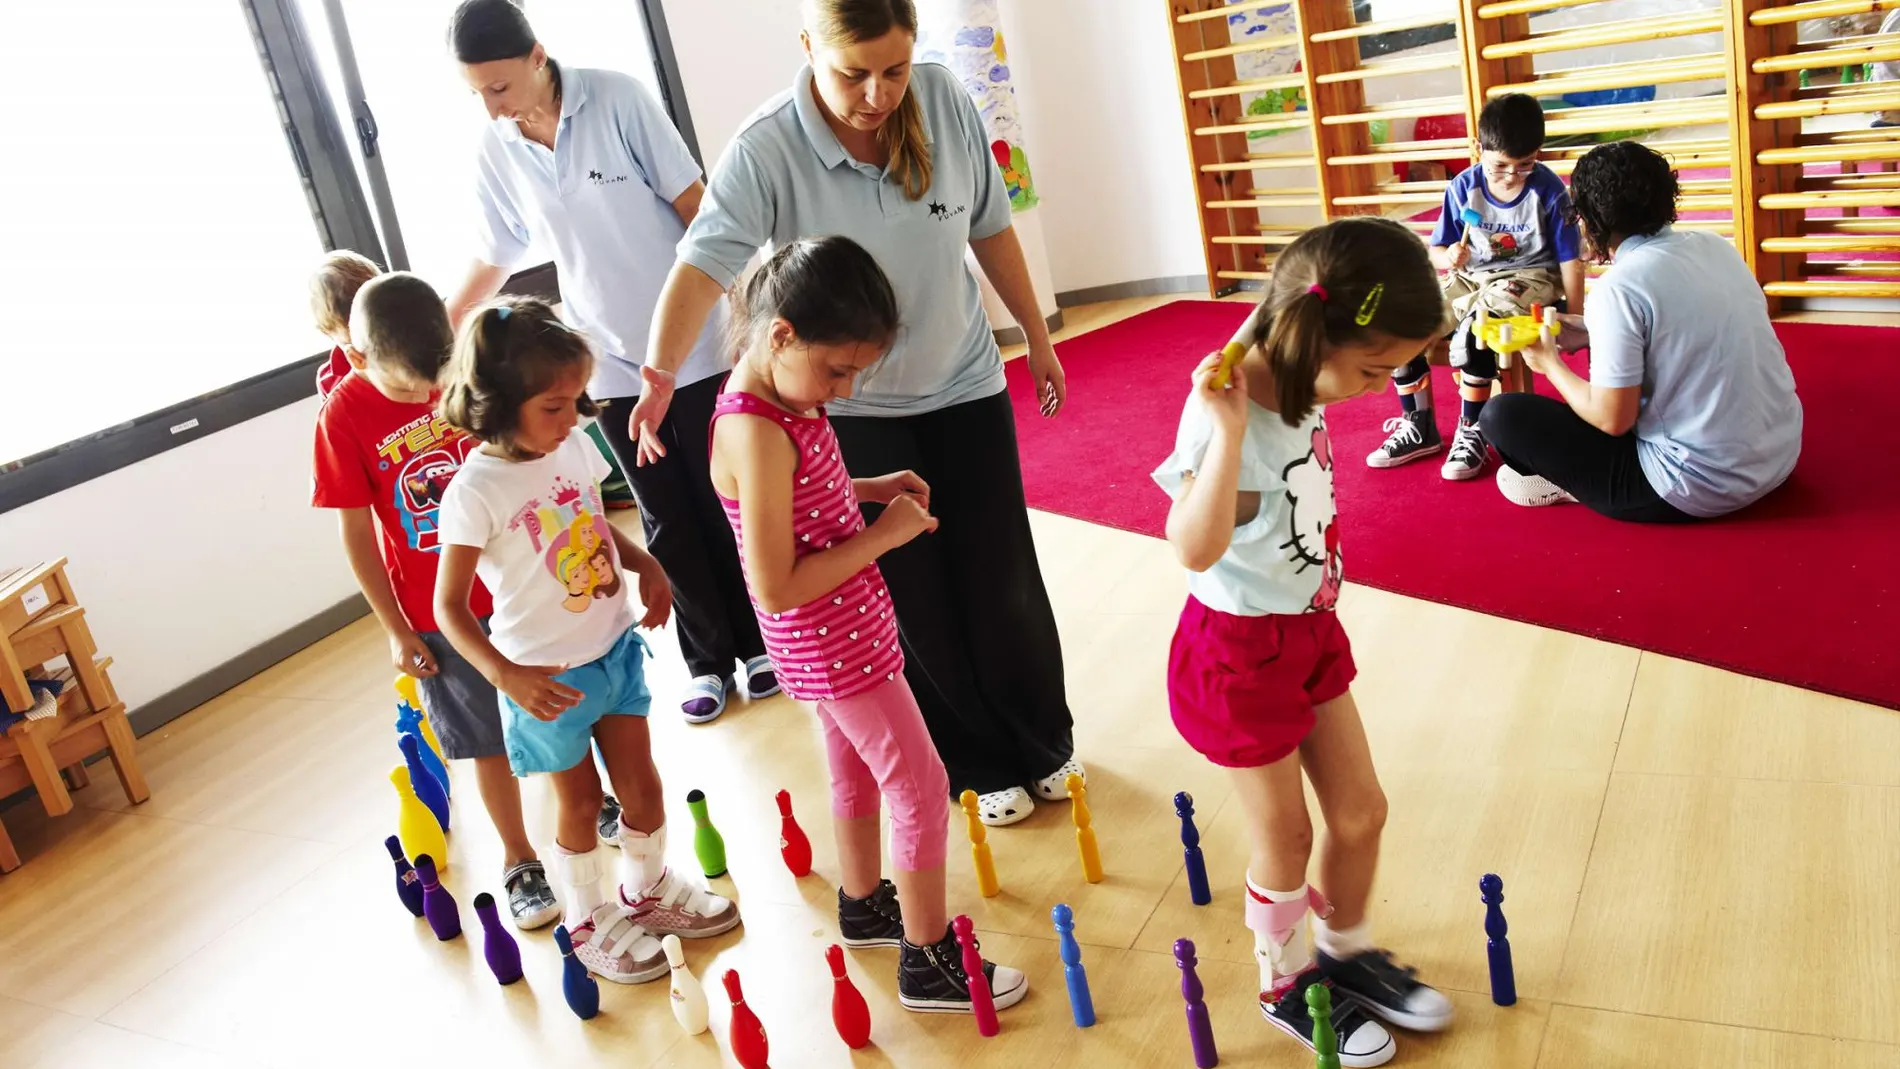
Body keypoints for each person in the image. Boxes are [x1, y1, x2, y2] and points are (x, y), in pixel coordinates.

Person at [639, 0, 1080, 827]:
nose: (877, 93)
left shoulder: (944, 99)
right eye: (853, 73)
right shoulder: (767, 146)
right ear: (808, 47)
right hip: (858, 405)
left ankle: (1042, 740)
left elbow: (990, 228)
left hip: (966, 379)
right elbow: (700, 265)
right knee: (915, 592)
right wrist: (660, 373)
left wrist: (1037, 335)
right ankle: (977, 764)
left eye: (894, 69)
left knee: (1002, 573)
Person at [1155, 218, 1454, 1067]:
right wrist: (1229, 435)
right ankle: (1285, 979)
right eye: (1372, 370)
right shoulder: (1229, 405)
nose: (1376, 388)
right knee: (1284, 839)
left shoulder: (1288, 334)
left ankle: (1345, 951)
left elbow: (1282, 296)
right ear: (1317, 337)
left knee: (1361, 812)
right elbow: (1191, 545)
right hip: (1238, 648)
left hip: (1309, 627)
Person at [709, 235, 1027, 1013]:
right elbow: (775, 586)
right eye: (837, 369)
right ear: (779, 333)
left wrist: (870, 486)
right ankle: (926, 959)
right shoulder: (754, 428)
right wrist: (882, 536)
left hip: (839, 638)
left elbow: (794, 492)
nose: (843, 390)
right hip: (828, 639)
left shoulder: (780, 400)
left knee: (853, 765)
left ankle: (861, 900)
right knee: (921, 784)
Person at [443, 0, 773, 724]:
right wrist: (448, 316)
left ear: (537, 57)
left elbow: (697, 206)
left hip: (697, 339)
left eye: (498, 88)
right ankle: (708, 659)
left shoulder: (616, 96)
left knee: (723, 499)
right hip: (610, 363)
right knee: (664, 513)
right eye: (476, 94)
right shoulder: (498, 147)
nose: (491, 107)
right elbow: (498, 249)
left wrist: (753, 307)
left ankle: (760, 646)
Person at [434, 296, 740, 986]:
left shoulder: (570, 444)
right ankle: (586, 914)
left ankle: (647, 886)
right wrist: (506, 677)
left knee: (642, 783)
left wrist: (647, 564)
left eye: (577, 401)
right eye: (553, 405)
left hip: (613, 649)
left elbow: (595, 524)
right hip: (545, 680)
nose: (572, 419)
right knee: (577, 803)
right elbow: (448, 607)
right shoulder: (475, 490)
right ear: (496, 403)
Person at [308, 270, 560, 930]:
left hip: (523, 582)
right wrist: (395, 628)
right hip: (435, 609)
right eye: (405, 384)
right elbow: (357, 531)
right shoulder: (342, 416)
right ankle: (519, 857)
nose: (428, 395)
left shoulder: (467, 369)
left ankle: (589, 804)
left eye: (437, 377)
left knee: (565, 700)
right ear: (358, 358)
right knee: (485, 739)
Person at [1482, 141, 1803, 521]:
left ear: (1588, 219)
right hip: (1778, 455)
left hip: (1697, 485)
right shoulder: (1714, 245)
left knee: (1501, 416)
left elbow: (1612, 420)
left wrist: (1549, 363)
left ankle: (1572, 484)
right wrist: (1592, 331)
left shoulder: (1619, 287)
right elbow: (1691, 325)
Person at [1368, 93, 1585, 481]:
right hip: (1469, 278)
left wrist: (1576, 312)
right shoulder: (1462, 189)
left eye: (1525, 165)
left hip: (1529, 278)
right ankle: (1419, 425)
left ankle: (1474, 431)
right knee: (1405, 321)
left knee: (1476, 331)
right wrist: (1447, 256)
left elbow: (1570, 259)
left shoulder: (1549, 192)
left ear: (1538, 154)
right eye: (1500, 165)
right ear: (1478, 148)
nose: (1511, 176)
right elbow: (1434, 250)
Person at [308, 250, 380, 400]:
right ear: (326, 331)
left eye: (377, 334)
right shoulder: (330, 382)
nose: (366, 352)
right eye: (351, 343)